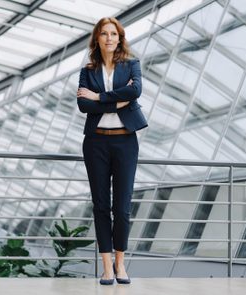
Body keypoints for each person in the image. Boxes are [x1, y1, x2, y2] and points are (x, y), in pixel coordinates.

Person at [77, 17, 148, 285]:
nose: (109, 38)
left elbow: (136, 91)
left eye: (113, 34)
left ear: (120, 38)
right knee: (101, 206)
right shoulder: (88, 69)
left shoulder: (132, 64)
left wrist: (99, 98)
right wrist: (118, 100)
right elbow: (84, 106)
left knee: (122, 207)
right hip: (95, 143)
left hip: (125, 142)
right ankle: (106, 267)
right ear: (97, 38)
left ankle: (120, 263)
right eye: (104, 34)